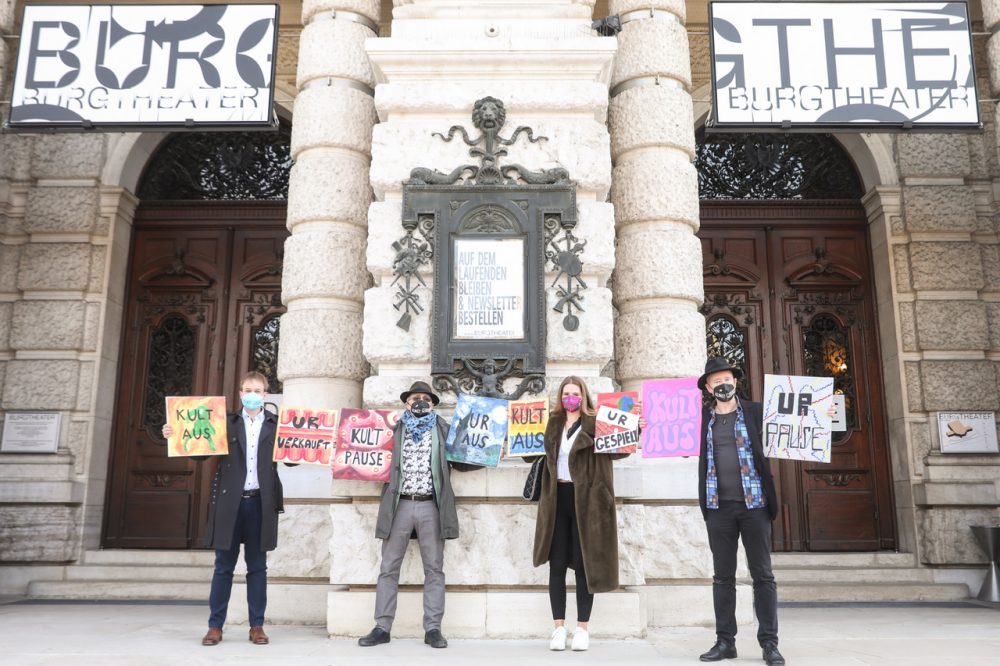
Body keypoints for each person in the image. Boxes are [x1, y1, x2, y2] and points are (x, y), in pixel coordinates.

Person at [161, 371, 286, 647]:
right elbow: (200, 451)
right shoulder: (223, 422)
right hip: (231, 503)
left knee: (257, 568)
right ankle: (215, 626)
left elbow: (293, 458)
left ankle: (257, 626)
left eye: (258, 390)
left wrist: (322, 442)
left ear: (265, 394)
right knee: (223, 568)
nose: (252, 395)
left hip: (261, 504)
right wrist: (174, 434)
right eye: (247, 390)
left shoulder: (277, 426)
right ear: (240, 393)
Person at [358, 380, 477, 649]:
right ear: (406, 403)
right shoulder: (391, 428)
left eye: (425, 398)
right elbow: (365, 454)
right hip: (398, 505)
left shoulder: (444, 429)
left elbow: (462, 457)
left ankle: (433, 628)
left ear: (433, 404)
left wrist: (488, 456)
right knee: (388, 567)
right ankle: (382, 627)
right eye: (415, 398)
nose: (420, 402)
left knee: (434, 568)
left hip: (430, 506)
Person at [531, 376, 632, 652]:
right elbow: (530, 450)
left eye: (575, 393)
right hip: (556, 501)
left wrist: (636, 431)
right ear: (560, 397)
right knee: (557, 565)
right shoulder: (551, 424)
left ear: (583, 396)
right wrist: (510, 442)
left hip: (587, 502)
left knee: (584, 566)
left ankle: (582, 629)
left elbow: (618, 451)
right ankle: (558, 628)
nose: (570, 398)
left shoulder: (596, 422)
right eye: (566, 393)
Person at [696, 357, 784, 665]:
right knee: (723, 577)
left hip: (754, 506)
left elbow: (792, 427)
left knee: (763, 576)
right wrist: (643, 428)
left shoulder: (757, 413)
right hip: (718, 508)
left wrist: (817, 416)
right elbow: (669, 440)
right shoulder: (701, 420)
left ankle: (769, 644)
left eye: (727, 379)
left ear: (736, 382)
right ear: (708, 388)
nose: (723, 384)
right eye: (716, 381)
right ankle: (725, 642)